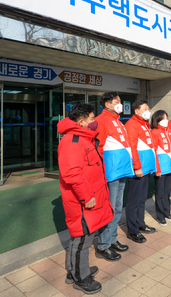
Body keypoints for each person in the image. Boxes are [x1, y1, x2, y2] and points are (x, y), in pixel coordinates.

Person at [58, 103, 114, 294]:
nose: (94, 122)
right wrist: (87, 195)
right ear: (81, 122)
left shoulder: (83, 139)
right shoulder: (72, 141)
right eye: (91, 118)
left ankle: (74, 270)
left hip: (89, 199)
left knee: (82, 238)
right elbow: (72, 173)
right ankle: (80, 278)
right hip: (82, 201)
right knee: (81, 239)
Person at [94, 92, 132, 261]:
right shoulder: (101, 120)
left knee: (117, 208)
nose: (120, 104)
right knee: (109, 209)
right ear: (107, 104)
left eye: (121, 101)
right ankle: (103, 245)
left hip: (121, 170)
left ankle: (112, 238)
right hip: (110, 173)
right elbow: (97, 148)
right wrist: (101, 170)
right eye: (117, 102)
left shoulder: (117, 121)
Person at [124, 100, 157, 243]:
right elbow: (132, 148)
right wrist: (137, 167)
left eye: (148, 108)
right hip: (139, 170)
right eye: (144, 108)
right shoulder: (131, 125)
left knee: (142, 199)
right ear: (136, 111)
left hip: (146, 168)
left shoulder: (145, 125)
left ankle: (140, 223)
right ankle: (133, 230)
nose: (147, 111)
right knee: (134, 201)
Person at [150, 110, 171, 226]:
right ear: (157, 120)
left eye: (167, 117)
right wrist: (157, 169)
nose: (166, 120)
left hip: (170, 166)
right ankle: (160, 215)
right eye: (163, 118)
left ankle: (167, 212)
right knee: (160, 193)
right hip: (161, 168)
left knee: (167, 192)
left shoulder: (169, 132)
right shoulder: (154, 132)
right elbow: (154, 152)